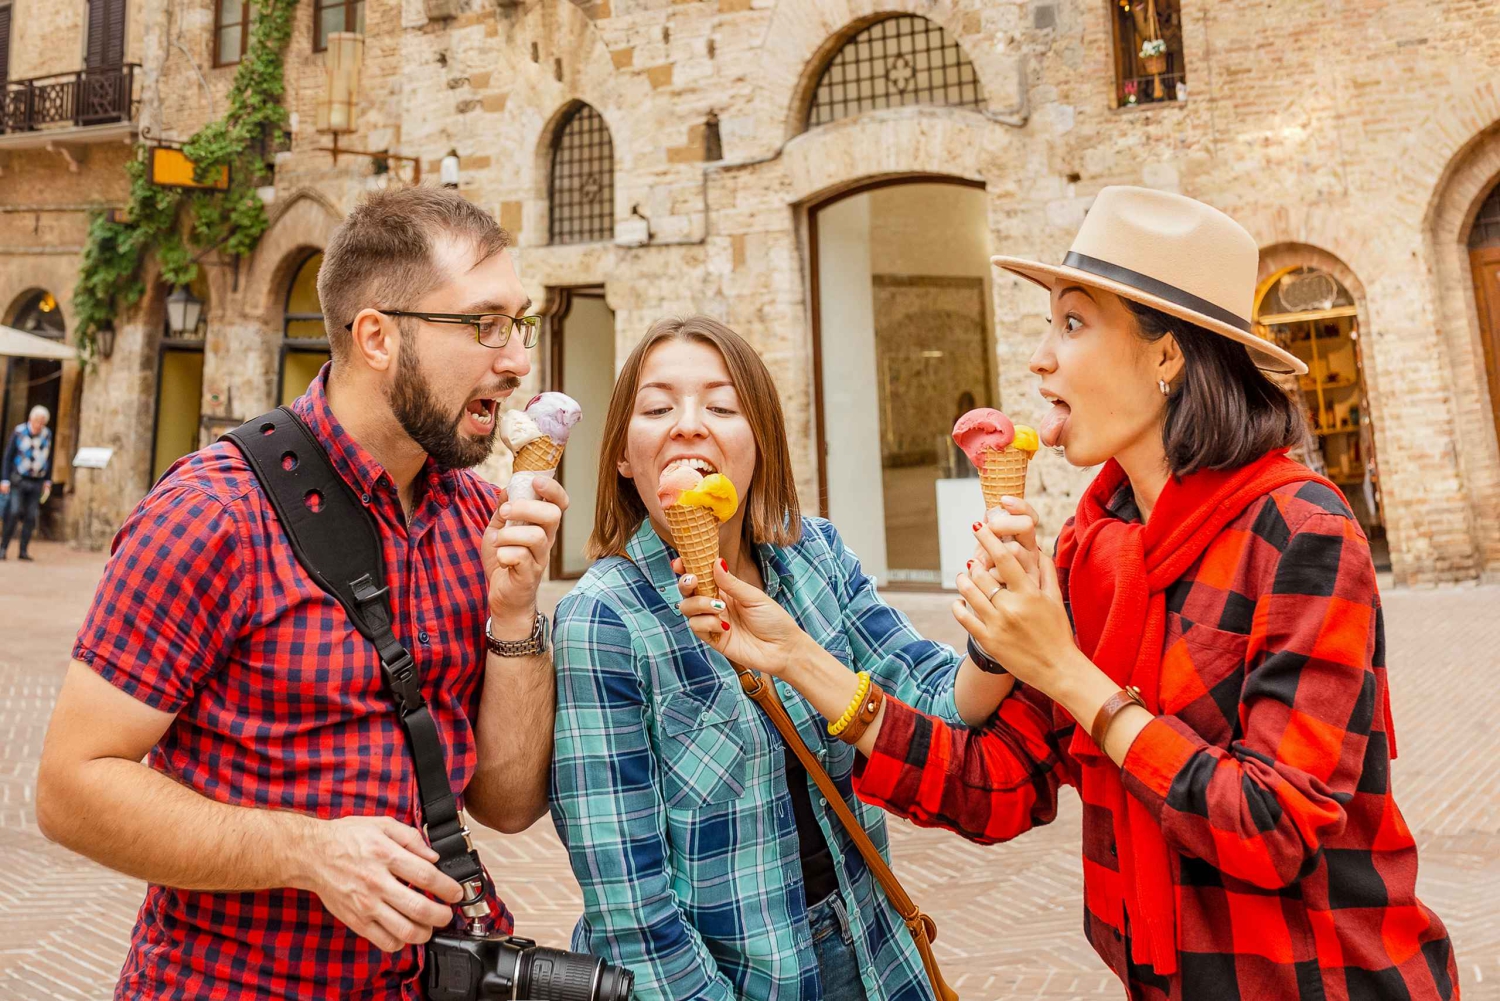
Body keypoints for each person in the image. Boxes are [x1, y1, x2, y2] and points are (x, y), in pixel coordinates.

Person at [681, 188, 1458, 1000]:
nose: (1040, 357)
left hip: (1328, 980)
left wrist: (1066, 670)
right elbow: (999, 782)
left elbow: (1272, 828)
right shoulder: (1093, 546)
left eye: (1074, 323)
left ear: (1168, 357)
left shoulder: (1301, 531)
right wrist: (800, 658)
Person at [36, 187, 565, 999]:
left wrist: (515, 615)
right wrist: (307, 851)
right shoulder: (212, 513)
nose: (518, 359)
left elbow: (507, 799)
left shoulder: (478, 519)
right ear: (379, 336)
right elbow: (71, 787)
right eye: (485, 323)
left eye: (518, 323)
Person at [549, 315, 1008, 1001]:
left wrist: (1000, 622)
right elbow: (633, 914)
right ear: (621, 454)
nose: (688, 424)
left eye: (722, 405)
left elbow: (936, 698)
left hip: (876, 951)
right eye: (657, 407)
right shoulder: (602, 619)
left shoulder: (813, 556)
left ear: (758, 441)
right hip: (728, 980)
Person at [1, 404, 52, 560]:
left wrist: (48, 480)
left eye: (42, 421)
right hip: (19, 479)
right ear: (31, 419)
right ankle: (3, 548)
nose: (39, 424)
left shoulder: (47, 434)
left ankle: (23, 551)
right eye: (37, 420)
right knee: (14, 511)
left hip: (37, 480)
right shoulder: (19, 431)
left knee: (31, 516)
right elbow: (8, 457)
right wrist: (4, 479)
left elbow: (48, 457)